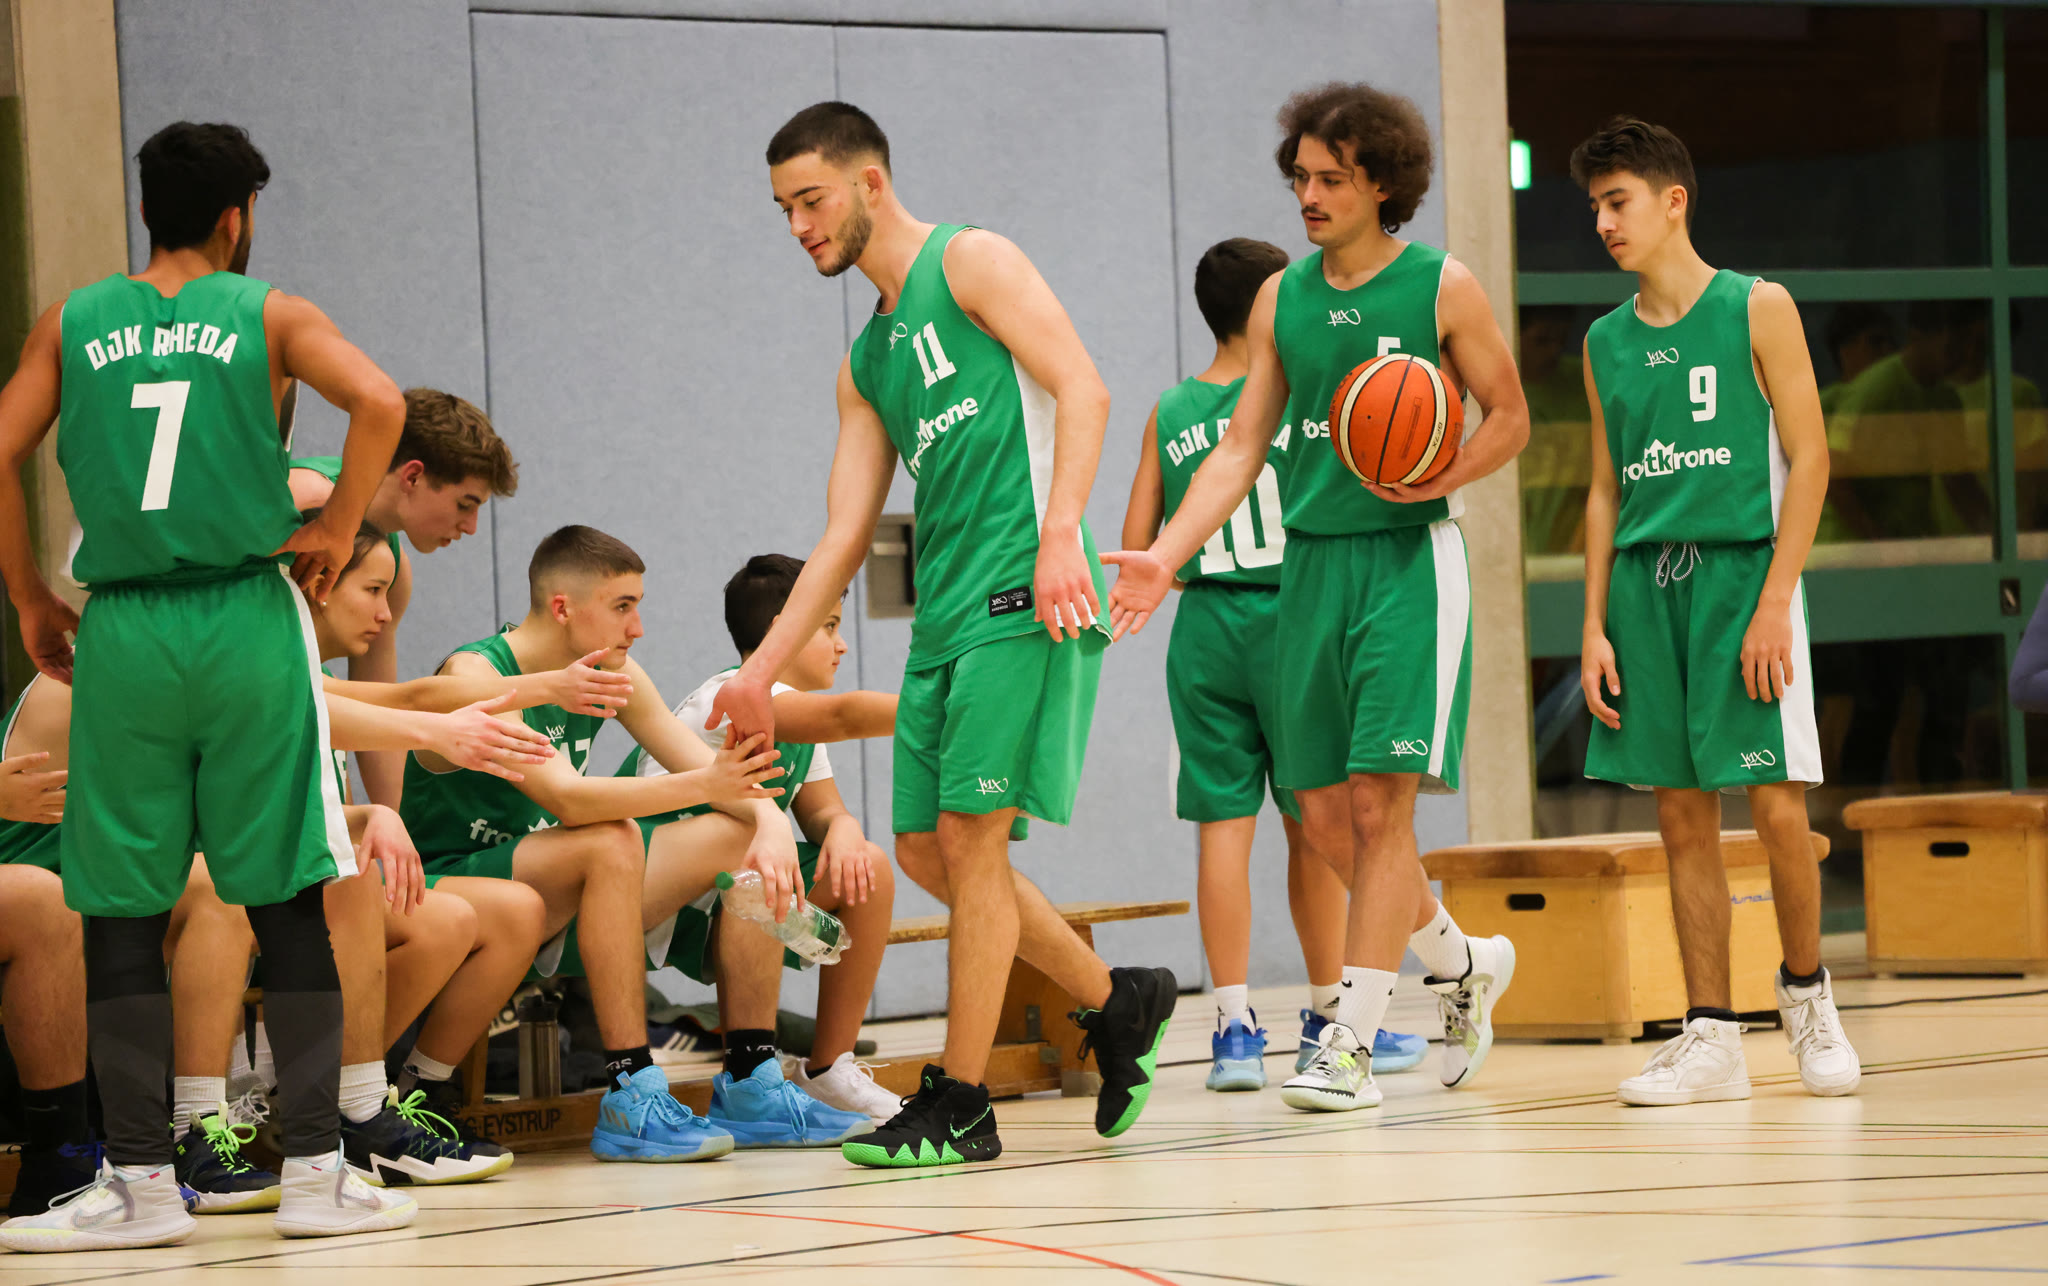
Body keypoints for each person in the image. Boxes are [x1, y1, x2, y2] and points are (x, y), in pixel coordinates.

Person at [0, 119, 421, 1248]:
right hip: (243, 617)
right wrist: (336, 523)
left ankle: (140, 1184)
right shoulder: (269, 312)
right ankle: (320, 1173)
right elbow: (380, 401)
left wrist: (31, 597)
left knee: (120, 908)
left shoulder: (71, 320)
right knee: (287, 895)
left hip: (125, 629)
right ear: (239, 217)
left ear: (148, 208)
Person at [735, 101, 1178, 1168]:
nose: (798, 225)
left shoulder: (971, 260)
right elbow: (843, 534)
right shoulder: (866, 361)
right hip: (943, 616)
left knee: (973, 842)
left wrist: (1062, 532)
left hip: (1024, 595)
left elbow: (1084, 388)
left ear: (870, 183)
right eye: (783, 208)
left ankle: (962, 1100)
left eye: (811, 200)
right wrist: (758, 671)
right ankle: (1116, 997)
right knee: (928, 851)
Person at [1106, 83, 1528, 1113]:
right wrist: (1164, 553)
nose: (1308, 195)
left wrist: (1442, 474)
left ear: (1382, 184)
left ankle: (1346, 1040)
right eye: (1299, 177)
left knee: (1380, 805)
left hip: (1407, 562)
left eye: (1330, 178)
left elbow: (1510, 416)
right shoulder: (1279, 299)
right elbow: (1239, 447)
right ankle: (1463, 962)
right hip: (1310, 567)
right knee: (1331, 822)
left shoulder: (1441, 286)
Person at [0, 562, 564, 1210]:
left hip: (137, 870)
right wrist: (441, 731)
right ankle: (195, 1126)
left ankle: (350, 1108)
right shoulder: (143, 649)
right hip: (67, 873)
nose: (384, 612)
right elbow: (328, 714)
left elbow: (374, 706)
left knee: (345, 869)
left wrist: (370, 809)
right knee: (231, 884)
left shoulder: (234, 652)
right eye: (371, 589)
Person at [1570, 117, 1860, 1105]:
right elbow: (1603, 489)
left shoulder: (1755, 306)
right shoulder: (1603, 341)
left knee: (1777, 807)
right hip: (1645, 590)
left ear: (1672, 200)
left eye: (1617, 202)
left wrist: (1776, 598)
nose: (1603, 223)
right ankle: (1710, 1036)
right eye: (1594, 207)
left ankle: (1807, 994)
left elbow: (1811, 458)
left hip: (1744, 579)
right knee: (1679, 815)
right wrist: (1592, 624)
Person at [1119, 237, 1426, 1093]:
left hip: (1205, 629)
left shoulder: (1170, 410)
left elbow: (1142, 542)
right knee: (1314, 824)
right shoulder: (1300, 398)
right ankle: (1331, 1014)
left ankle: (1232, 1027)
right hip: (1294, 613)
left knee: (1223, 829)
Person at [398, 524, 794, 1162]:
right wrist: (711, 783)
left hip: (548, 887)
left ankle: (752, 1076)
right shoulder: (477, 673)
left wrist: (770, 824)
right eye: (622, 606)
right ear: (563, 607)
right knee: (608, 838)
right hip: (451, 885)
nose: (637, 627)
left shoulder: (612, 668)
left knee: (737, 833)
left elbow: (694, 759)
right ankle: (632, 1089)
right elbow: (570, 800)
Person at [626, 554, 901, 1124]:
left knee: (868, 867)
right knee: (754, 858)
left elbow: (826, 813)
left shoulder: (792, 719)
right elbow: (845, 717)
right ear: (784, 629)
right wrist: (952, 709)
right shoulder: (730, 697)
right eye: (829, 626)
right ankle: (750, 1076)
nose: (842, 645)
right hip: (645, 896)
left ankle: (828, 1069)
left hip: (721, 898)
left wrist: (845, 830)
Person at [289, 386, 519, 806]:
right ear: (412, 477)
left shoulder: (394, 572)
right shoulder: (304, 497)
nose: (471, 527)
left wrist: (396, 824)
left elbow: (382, 714)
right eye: (465, 504)